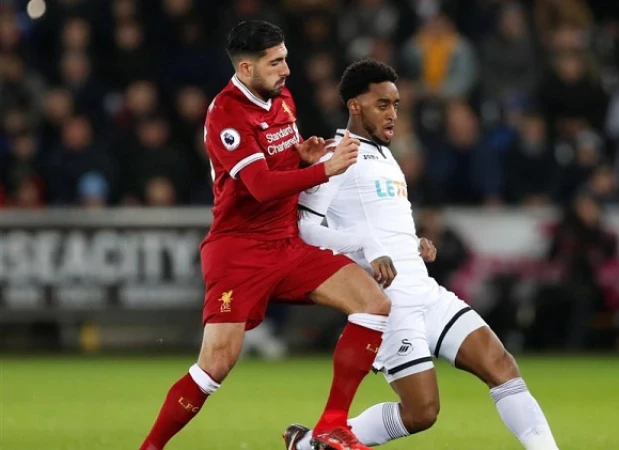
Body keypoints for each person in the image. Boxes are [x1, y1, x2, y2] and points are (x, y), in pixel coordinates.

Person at [139, 22, 393, 450]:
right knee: (216, 364)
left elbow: (280, 167)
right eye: (275, 62)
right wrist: (322, 169)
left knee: (373, 303)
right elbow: (257, 185)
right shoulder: (226, 113)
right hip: (239, 251)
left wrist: (301, 158)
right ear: (246, 67)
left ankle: (333, 424)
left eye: (286, 57)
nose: (286, 69)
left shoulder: (282, 99)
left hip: (287, 243)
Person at [283, 60, 559, 450]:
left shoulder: (387, 156)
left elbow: (380, 222)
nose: (393, 113)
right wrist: (366, 245)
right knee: (421, 413)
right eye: (382, 104)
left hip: (426, 292)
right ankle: (311, 444)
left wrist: (412, 245)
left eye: (396, 104)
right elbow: (306, 230)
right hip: (388, 304)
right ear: (355, 106)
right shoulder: (335, 153)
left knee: (503, 367)